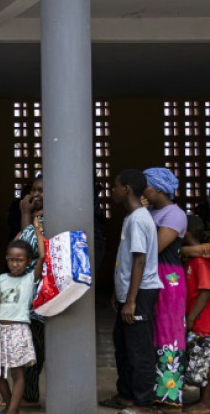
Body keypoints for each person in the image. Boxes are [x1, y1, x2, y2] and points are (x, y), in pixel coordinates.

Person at [99, 169, 163, 414]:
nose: (112, 190)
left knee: (139, 350)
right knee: (123, 345)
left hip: (141, 293)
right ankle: (126, 395)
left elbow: (139, 260)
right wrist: (119, 293)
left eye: (115, 185)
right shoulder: (132, 217)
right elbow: (126, 261)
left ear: (126, 189)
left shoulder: (138, 219)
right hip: (130, 292)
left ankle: (145, 404)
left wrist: (132, 301)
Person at [143, 167, 189, 408]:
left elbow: (155, 247)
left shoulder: (175, 214)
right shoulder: (149, 211)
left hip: (168, 278)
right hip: (150, 275)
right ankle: (152, 388)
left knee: (169, 331)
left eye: (146, 186)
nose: (143, 191)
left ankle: (170, 394)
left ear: (158, 188)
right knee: (152, 331)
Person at [0, 239, 43, 414]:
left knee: (17, 374)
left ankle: (11, 411)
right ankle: (12, 407)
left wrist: (38, 230)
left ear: (29, 261)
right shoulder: (1, 279)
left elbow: (43, 256)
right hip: (1, 331)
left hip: (19, 330)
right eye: (11, 259)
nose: (14, 264)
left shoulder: (29, 278)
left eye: (19, 260)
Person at [13, 175, 45, 408]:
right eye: (33, 190)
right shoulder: (36, 220)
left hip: (44, 294)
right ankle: (29, 393)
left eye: (42, 190)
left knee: (36, 348)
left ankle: (30, 395)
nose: (36, 195)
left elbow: (20, 247)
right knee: (33, 346)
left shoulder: (46, 221)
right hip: (32, 294)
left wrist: (26, 215)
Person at [183, 215, 210, 414]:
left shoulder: (200, 262)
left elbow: (206, 290)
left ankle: (205, 403)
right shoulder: (193, 258)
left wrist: (192, 316)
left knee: (206, 363)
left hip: (204, 321)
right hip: (200, 319)